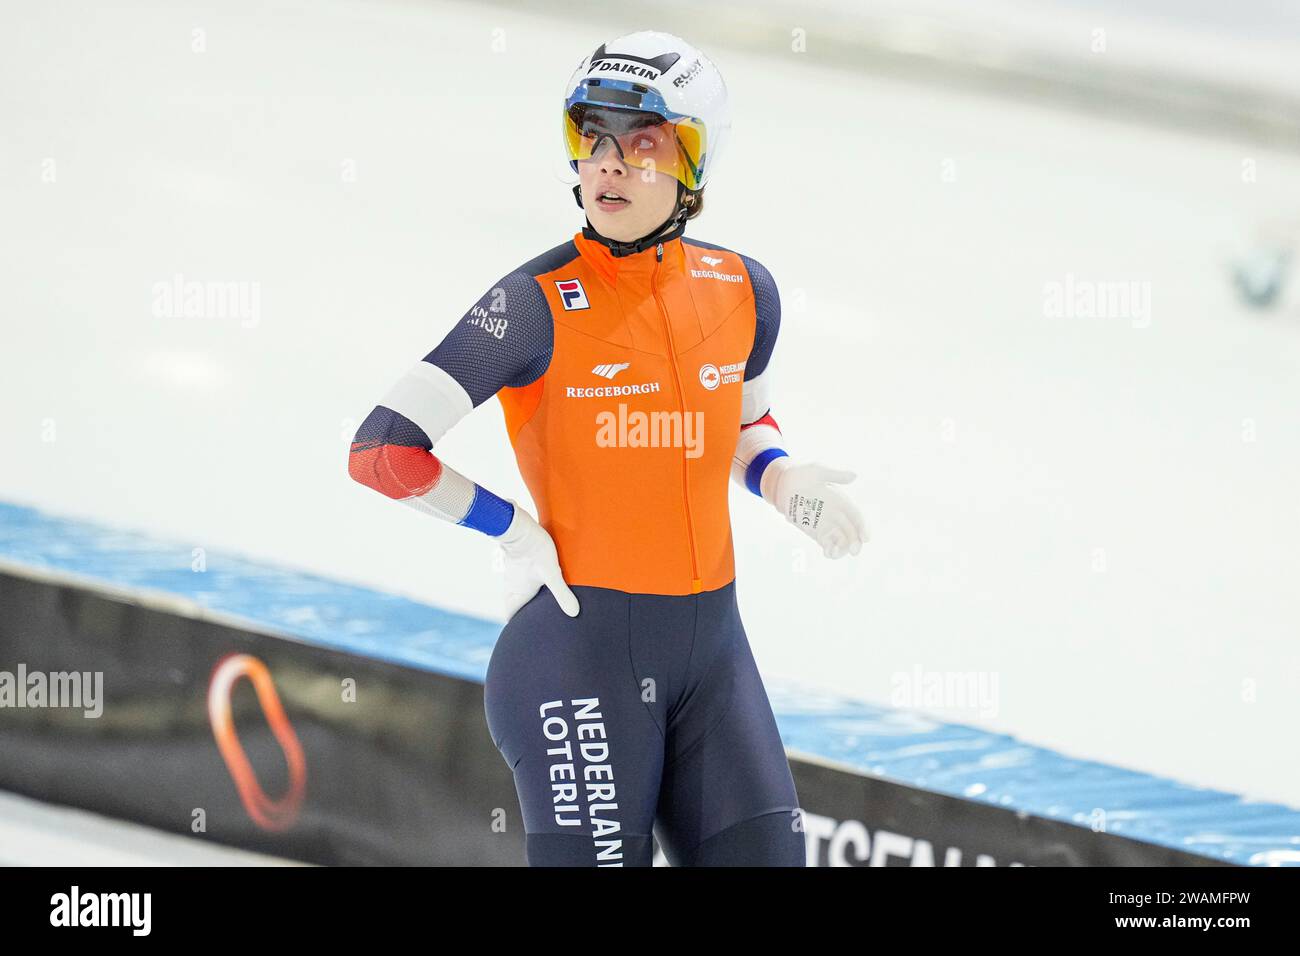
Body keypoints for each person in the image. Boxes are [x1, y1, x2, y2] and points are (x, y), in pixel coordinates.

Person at [348, 30, 868, 867]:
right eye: (589, 140)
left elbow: (739, 424)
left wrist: (781, 481)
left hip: (713, 662)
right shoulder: (532, 304)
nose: (609, 164)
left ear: (694, 162)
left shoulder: (745, 289)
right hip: (576, 665)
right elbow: (382, 450)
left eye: (644, 142)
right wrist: (511, 529)